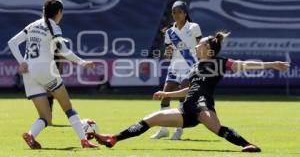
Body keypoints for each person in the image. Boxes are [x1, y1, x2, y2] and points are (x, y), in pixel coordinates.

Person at [94, 31, 290, 152]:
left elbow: (244, 65)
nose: (196, 46)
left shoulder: (220, 63)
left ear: (208, 47)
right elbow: (190, 89)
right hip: (186, 109)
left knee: (218, 129)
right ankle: (114, 138)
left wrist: (272, 64)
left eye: (200, 43)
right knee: (151, 119)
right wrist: (167, 95)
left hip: (202, 105)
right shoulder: (195, 66)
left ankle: (248, 145)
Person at [8, 0, 98, 149]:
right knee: (68, 108)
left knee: (45, 116)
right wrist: (83, 63)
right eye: (62, 13)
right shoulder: (54, 27)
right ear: (59, 12)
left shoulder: (33, 25)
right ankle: (84, 141)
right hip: (45, 70)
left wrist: (21, 62)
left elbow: (12, 42)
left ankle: (31, 135)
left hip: (29, 73)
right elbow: (64, 51)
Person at [151, 0, 202, 140]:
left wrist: (203, 62)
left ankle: (178, 131)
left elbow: (202, 46)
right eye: (174, 12)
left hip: (190, 67)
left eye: (179, 11)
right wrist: (167, 51)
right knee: (165, 97)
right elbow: (168, 54)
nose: (176, 14)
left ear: (185, 13)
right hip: (174, 67)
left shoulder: (194, 27)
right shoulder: (169, 32)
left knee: (182, 98)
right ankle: (163, 130)